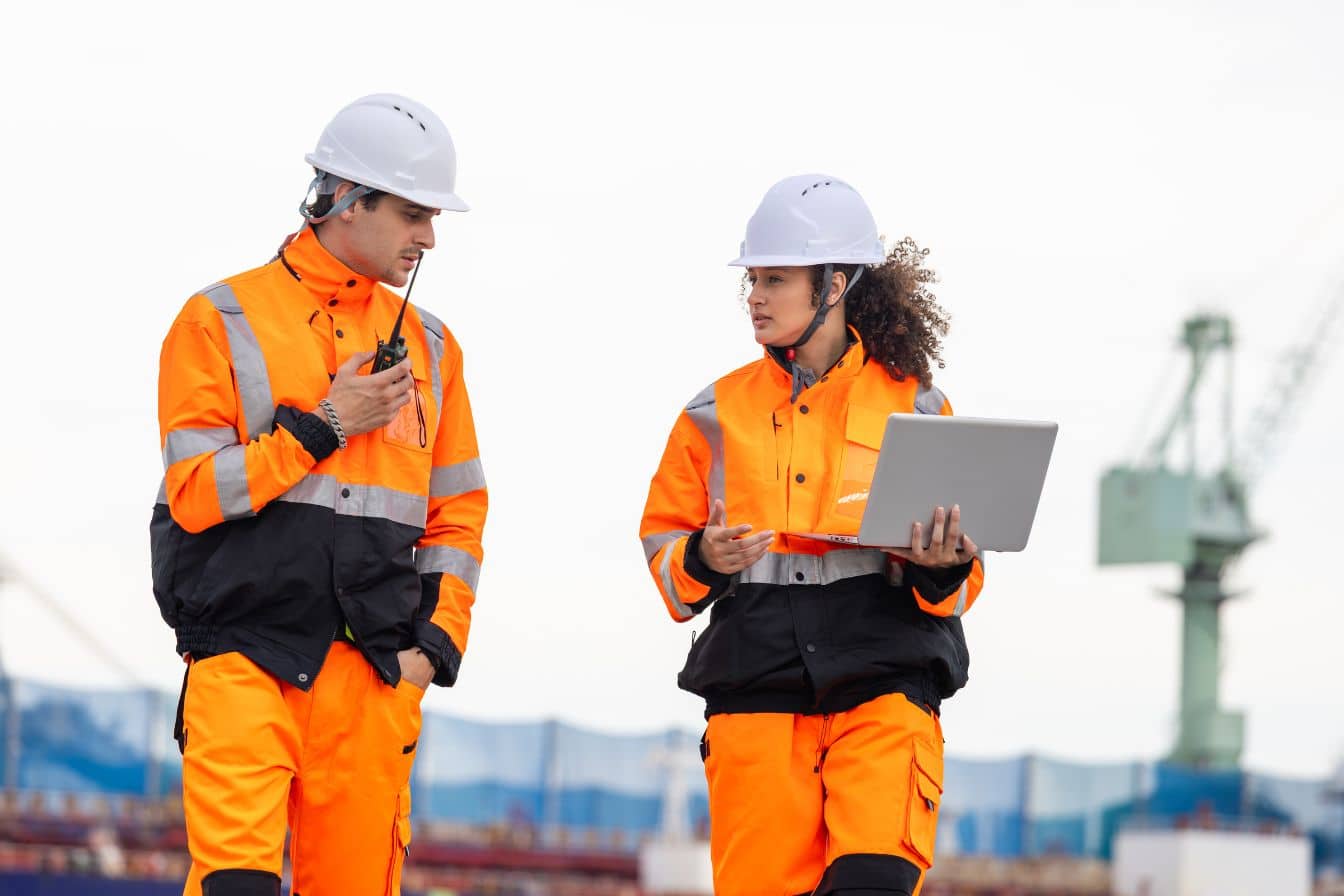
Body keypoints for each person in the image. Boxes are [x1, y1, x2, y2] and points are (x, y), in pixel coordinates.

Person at [149, 93, 487, 896]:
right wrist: (328, 423)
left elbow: (458, 515)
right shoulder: (217, 320)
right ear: (345, 200)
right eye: (412, 214)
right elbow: (195, 494)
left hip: (374, 680)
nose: (429, 238)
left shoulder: (436, 348)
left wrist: (431, 650)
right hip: (244, 660)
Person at [639, 174, 986, 896]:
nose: (755, 297)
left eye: (775, 279)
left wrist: (940, 567)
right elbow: (667, 564)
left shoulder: (917, 402)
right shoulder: (711, 415)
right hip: (757, 698)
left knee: (872, 883)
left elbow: (962, 584)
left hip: (884, 685)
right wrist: (703, 555)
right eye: (752, 280)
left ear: (834, 284)